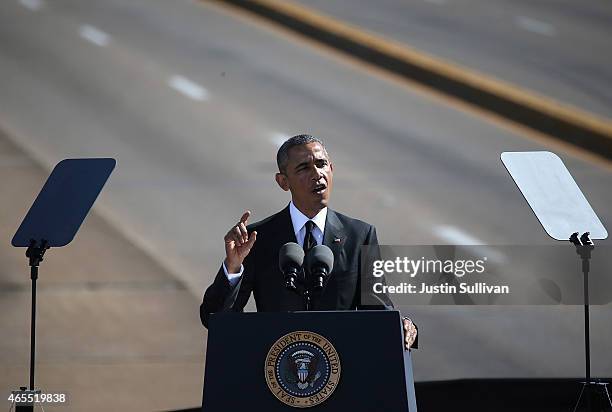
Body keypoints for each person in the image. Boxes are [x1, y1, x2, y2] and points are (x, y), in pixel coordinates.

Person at [200, 134, 417, 349]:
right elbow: (214, 319)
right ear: (283, 182)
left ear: (331, 169)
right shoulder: (257, 239)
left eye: (322, 164)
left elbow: (378, 312)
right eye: (304, 168)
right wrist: (233, 267)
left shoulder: (361, 235)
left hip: (343, 369)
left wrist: (402, 326)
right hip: (278, 371)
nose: (317, 174)